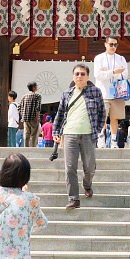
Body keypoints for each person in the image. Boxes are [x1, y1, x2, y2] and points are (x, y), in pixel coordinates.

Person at [52, 62, 106, 209]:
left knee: (89, 167)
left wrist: (98, 128)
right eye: (77, 74)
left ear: (88, 76)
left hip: (88, 135)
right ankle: (74, 198)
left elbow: (102, 112)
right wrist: (56, 132)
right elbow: (60, 114)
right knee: (70, 168)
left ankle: (87, 184)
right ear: (73, 76)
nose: (80, 76)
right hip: (70, 134)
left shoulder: (95, 92)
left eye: (83, 74)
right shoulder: (66, 94)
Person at [94, 36, 130, 148]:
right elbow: (98, 75)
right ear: (105, 44)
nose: (113, 47)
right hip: (103, 92)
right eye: (111, 44)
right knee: (102, 117)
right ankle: (101, 139)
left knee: (115, 117)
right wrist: (113, 72)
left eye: (115, 45)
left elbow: (125, 74)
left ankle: (114, 140)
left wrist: (108, 73)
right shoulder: (99, 58)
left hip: (117, 93)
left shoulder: (121, 58)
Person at [18, 82, 43, 147]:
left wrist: (23, 114)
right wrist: (37, 118)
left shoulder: (24, 96)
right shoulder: (38, 96)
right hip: (34, 118)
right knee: (34, 135)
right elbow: (38, 108)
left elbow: (19, 107)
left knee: (26, 134)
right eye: (36, 86)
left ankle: (26, 148)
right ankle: (33, 148)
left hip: (25, 119)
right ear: (34, 87)